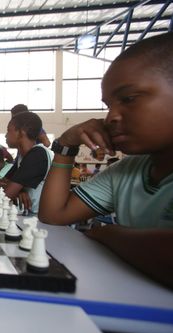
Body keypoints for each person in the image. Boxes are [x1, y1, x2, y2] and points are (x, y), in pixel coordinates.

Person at [38, 32, 173, 289]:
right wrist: (66, 144)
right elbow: (54, 215)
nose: (111, 117)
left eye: (128, 99)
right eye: (109, 104)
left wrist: (107, 233)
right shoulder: (128, 171)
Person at [0, 112, 53, 214]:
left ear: (22, 132)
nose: (5, 135)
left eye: (9, 130)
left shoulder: (37, 154)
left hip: (40, 221)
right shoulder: (22, 157)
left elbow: (5, 195)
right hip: (28, 216)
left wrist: (13, 190)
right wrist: (19, 191)